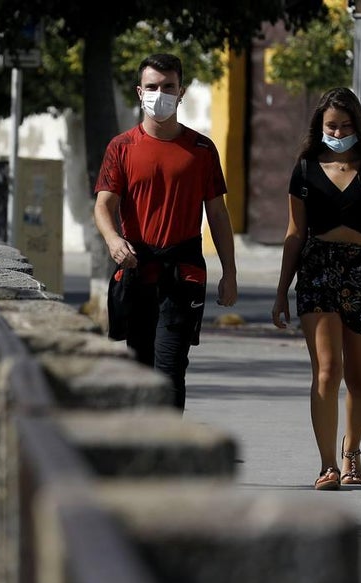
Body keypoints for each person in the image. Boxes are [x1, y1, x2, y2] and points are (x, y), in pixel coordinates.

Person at [271, 86, 361, 491]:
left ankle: (352, 451)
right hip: (317, 271)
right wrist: (282, 290)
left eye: (346, 125)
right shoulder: (305, 168)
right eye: (332, 125)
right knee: (327, 372)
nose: (339, 132)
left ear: (359, 126)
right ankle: (328, 464)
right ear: (320, 125)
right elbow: (295, 234)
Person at [94, 52, 238, 412]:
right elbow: (103, 205)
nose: (160, 94)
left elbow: (218, 214)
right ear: (139, 92)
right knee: (141, 368)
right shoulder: (121, 147)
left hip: (183, 272)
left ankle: (170, 453)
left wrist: (229, 273)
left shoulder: (202, 150)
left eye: (168, 87)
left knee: (170, 368)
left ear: (181, 91)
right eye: (153, 87)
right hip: (137, 270)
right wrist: (114, 241)